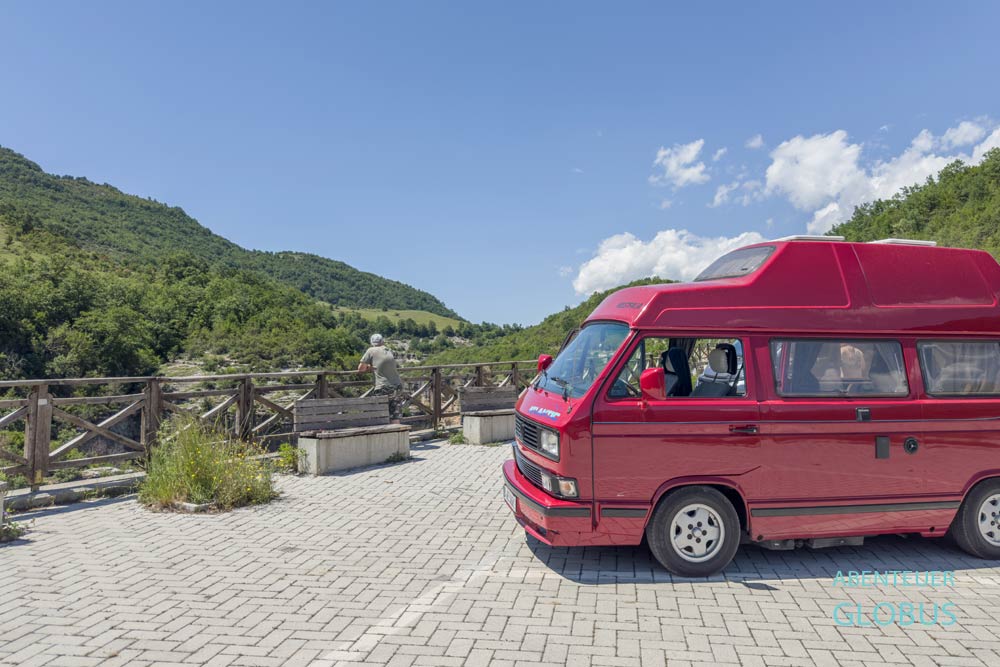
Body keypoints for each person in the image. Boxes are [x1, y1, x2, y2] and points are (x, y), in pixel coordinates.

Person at [358, 333, 405, 422]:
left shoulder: (371, 350)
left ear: (372, 342)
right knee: (395, 416)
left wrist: (369, 367)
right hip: (397, 386)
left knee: (381, 416)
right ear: (382, 341)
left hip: (383, 387)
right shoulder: (388, 350)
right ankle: (396, 434)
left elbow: (360, 369)